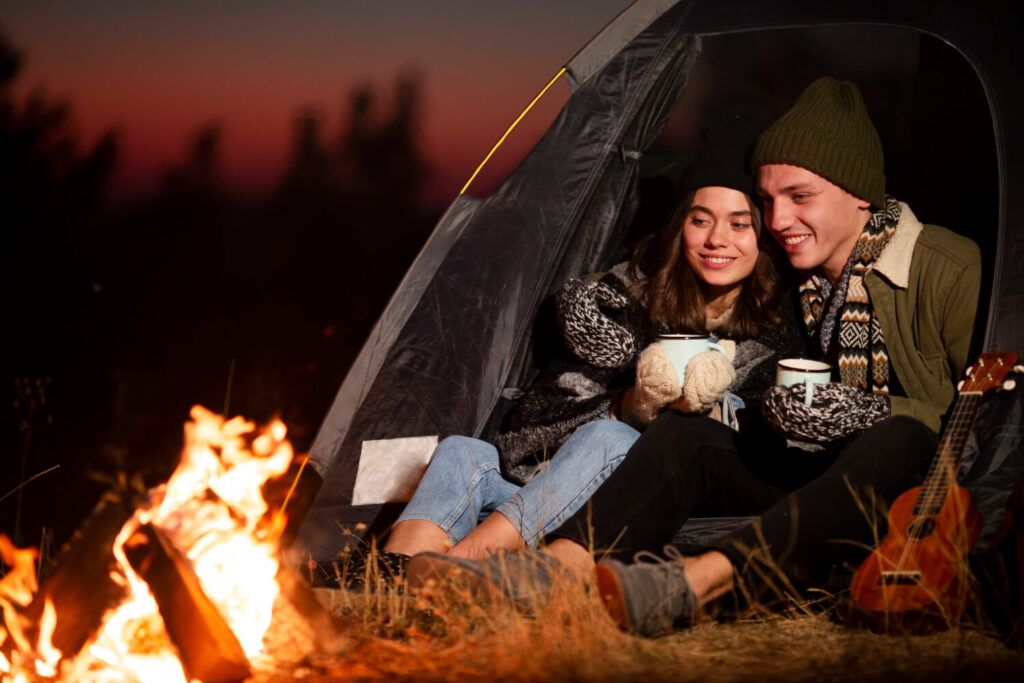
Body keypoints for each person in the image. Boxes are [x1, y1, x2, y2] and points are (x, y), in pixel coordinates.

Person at [406, 76, 982, 636]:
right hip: (813, 477)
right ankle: (557, 569)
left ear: (860, 193)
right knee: (686, 435)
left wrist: (862, 413)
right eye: (769, 202)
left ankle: (697, 580)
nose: (779, 221)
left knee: (899, 435)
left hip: (910, 486)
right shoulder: (806, 284)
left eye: (799, 198)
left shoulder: (947, 268)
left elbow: (987, 421)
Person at [350, 123, 804, 586]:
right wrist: (629, 404)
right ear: (679, 225)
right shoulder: (625, 301)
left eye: (740, 223)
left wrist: (692, 408)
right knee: (462, 453)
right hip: (554, 490)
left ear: (764, 235)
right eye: (700, 219)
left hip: (639, 511)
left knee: (606, 441)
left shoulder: (775, 336)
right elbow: (531, 425)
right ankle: (391, 576)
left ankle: (454, 575)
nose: (716, 240)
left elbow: (751, 454)